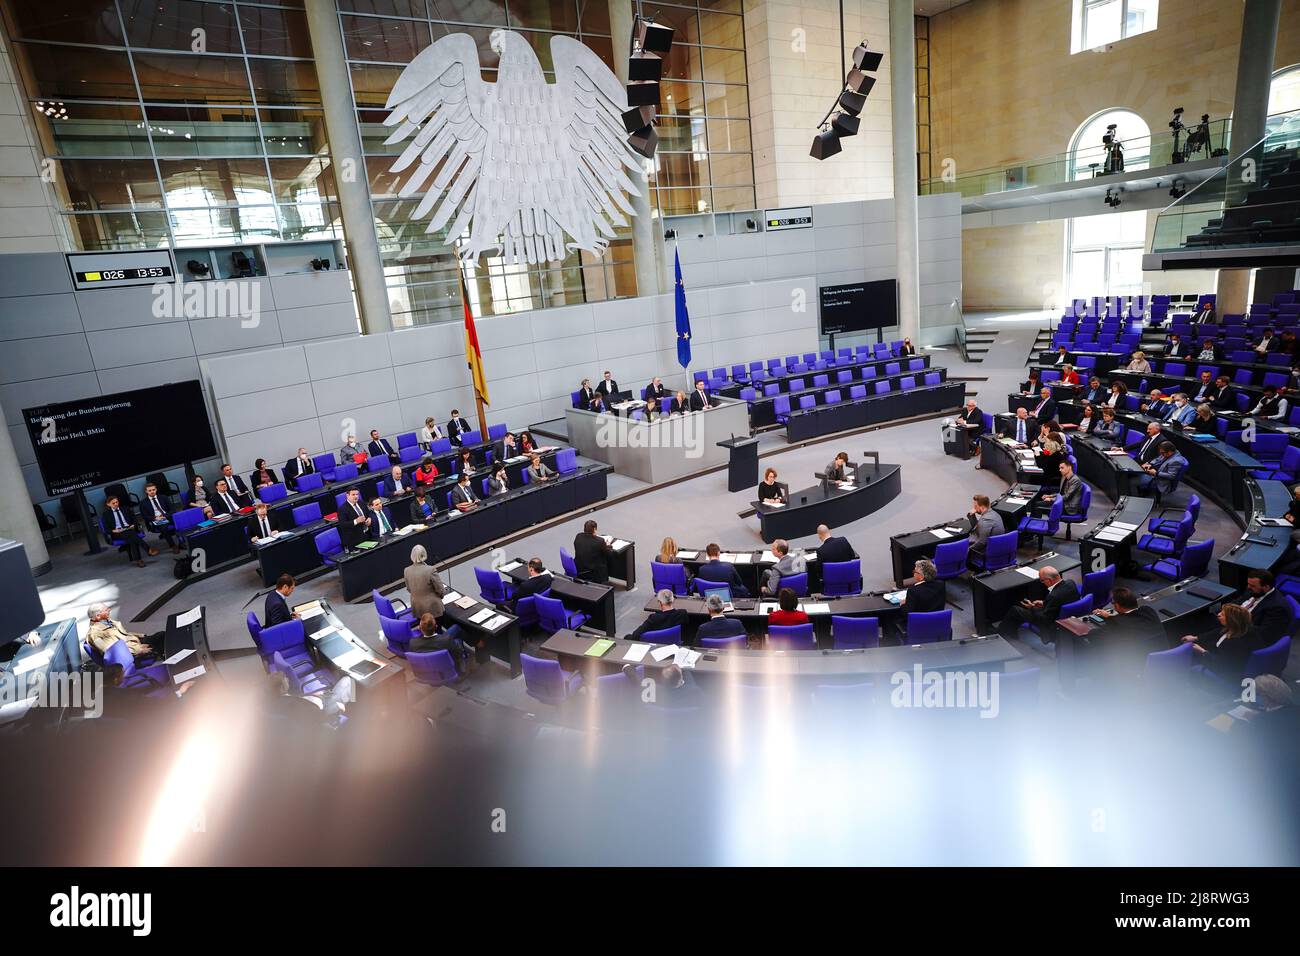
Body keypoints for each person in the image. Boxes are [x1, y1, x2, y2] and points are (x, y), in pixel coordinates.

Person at [1090, 586, 1166, 681]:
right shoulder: (1148, 610)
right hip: (1164, 661)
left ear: (1117, 606)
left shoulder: (1118, 624)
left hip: (1141, 668)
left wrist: (1110, 619)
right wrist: (1109, 617)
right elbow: (1130, 620)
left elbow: (1095, 634)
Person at [1182, 603, 1269, 681]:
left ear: (1232, 620)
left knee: (1192, 662)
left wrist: (1202, 651)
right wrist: (1196, 638)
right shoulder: (1244, 628)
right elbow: (1218, 631)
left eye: (1223, 614)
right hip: (1236, 663)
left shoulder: (1232, 643)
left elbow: (1221, 665)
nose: (1218, 615)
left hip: (1230, 675)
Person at [994, 566, 1079, 641]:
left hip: (1051, 625)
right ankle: (1011, 631)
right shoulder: (1071, 583)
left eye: (1042, 581)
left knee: (1015, 610)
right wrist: (1044, 603)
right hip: (1069, 620)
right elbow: (1060, 601)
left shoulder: (1053, 595)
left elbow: (1044, 619)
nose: (1042, 583)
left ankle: (1000, 633)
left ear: (1049, 580)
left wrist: (1032, 607)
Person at [87, 603, 161, 660]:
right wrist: (138, 650)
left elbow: (124, 633)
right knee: (161, 646)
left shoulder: (108, 621)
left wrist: (142, 635)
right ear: (98, 616)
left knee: (161, 635)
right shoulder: (95, 634)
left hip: (134, 642)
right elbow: (113, 651)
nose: (109, 610)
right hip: (131, 653)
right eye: (106, 610)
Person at [1238, 569, 1292, 644]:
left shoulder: (1277, 608)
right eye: (1248, 584)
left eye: (1252, 586)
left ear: (1266, 587)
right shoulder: (1254, 590)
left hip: (1246, 634)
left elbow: (1265, 634)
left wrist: (1235, 624)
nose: (1248, 587)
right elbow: (1238, 601)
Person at [102, 494, 151, 566]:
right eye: (113, 503)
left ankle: (139, 560)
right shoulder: (106, 514)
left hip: (129, 529)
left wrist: (133, 525)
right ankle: (148, 549)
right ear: (108, 504)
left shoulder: (125, 509)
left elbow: (134, 519)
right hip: (118, 533)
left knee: (132, 539)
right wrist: (113, 531)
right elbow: (106, 529)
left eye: (117, 502)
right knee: (132, 535)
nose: (116, 504)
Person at [403, 544, 447, 618]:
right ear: (424, 554)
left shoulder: (406, 570)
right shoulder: (430, 570)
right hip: (432, 609)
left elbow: (409, 589)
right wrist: (441, 596)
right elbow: (440, 590)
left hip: (417, 609)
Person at [138, 481, 179, 553]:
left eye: (153, 490)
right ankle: (173, 546)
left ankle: (181, 542)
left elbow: (172, 509)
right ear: (146, 491)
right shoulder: (143, 503)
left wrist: (165, 516)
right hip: (156, 519)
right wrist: (155, 518)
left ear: (156, 489)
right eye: (149, 490)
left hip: (166, 516)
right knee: (164, 528)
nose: (152, 492)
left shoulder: (163, 497)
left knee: (180, 521)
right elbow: (145, 516)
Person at [966, 494, 1002, 569]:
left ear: (982, 507)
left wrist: (968, 550)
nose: (974, 508)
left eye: (975, 506)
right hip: (996, 548)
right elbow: (979, 528)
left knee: (958, 550)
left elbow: (982, 542)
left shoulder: (985, 520)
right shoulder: (995, 514)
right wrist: (972, 515)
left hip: (985, 551)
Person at [573, 519, 611, 583]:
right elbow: (607, 553)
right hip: (591, 571)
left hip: (578, 567)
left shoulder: (578, 536)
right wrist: (608, 546)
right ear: (594, 529)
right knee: (604, 560)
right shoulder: (600, 541)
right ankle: (603, 580)